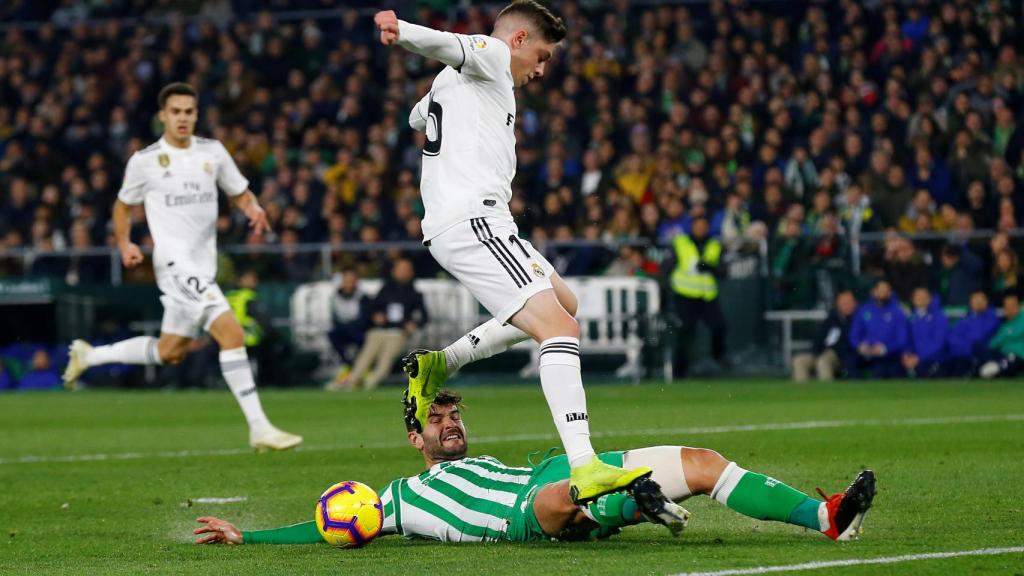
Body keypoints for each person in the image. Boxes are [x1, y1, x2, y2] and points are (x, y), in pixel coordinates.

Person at [374, 1, 653, 503]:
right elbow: (454, 44)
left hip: (480, 220)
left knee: (566, 306)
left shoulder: (456, 81)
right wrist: (403, 31)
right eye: (542, 56)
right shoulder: (496, 54)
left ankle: (443, 361)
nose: (542, 71)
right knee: (560, 331)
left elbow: (420, 115)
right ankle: (585, 465)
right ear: (519, 41)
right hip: (474, 219)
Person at [193, 388, 875, 545]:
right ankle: (628, 503)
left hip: (557, 472)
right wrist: (248, 538)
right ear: (415, 438)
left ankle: (825, 517)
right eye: (437, 418)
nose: (451, 422)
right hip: (531, 513)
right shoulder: (396, 497)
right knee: (561, 495)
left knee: (703, 460)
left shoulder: (484, 458)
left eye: (455, 414)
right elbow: (327, 528)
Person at [61, 82, 301, 451]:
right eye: (176, 111)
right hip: (173, 262)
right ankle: (260, 427)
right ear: (163, 116)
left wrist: (252, 209)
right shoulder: (145, 160)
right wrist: (125, 243)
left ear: (196, 115)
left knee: (170, 351)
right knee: (232, 333)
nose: (183, 118)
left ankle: (90, 354)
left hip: (201, 266)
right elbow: (123, 206)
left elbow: (239, 192)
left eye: (189, 111)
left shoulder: (213, 152)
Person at [335, 259, 426, 391]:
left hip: (398, 333)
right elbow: (372, 307)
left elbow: (424, 316)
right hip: (380, 330)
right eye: (400, 269)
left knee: (386, 359)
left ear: (411, 272)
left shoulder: (415, 294)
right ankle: (352, 381)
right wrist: (376, 315)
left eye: (405, 270)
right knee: (366, 355)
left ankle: (370, 384)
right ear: (394, 271)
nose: (402, 273)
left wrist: (414, 324)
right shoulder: (386, 289)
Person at [668, 216, 728, 376]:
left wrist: (709, 267)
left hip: (707, 295)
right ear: (692, 226)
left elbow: (723, 270)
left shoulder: (715, 244)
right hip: (685, 294)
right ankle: (680, 371)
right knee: (685, 332)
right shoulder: (681, 242)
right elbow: (668, 265)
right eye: (698, 225)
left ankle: (718, 359)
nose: (701, 228)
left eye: (704, 225)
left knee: (719, 326)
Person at [792, 290, 858, 382]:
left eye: (848, 302)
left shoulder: (858, 320)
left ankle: (825, 393)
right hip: (821, 352)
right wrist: (816, 350)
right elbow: (820, 337)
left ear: (855, 303)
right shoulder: (832, 318)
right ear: (837, 304)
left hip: (839, 356)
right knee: (799, 361)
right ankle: (802, 394)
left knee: (823, 362)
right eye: (842, 302)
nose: (845, 305)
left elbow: (850, 344)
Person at [849, 279, 909, 378]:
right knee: (850, 361)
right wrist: (860, 345)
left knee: (884, 369)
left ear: (890, 293)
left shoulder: (898, 312)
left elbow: (902, 340)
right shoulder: (863, 310)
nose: (883, 294)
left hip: (889, 355)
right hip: (865, 353)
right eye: (880, 291)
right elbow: (854, 334)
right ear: (874, 292)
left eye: (886, 291)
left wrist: (884, 348)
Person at [326, 269, 371, 389]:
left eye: (352, 280)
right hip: (343, 330)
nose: (349, 283)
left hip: (359, 330)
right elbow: (334, 318)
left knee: (365, 337)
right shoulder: (335, 298)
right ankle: (346, 365)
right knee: (332, 334)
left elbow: (364, 319)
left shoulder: (363, 297)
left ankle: (362, 369)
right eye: (346, 280)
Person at [945, 290, 1000, 377]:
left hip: (978, 356)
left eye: (981, 300)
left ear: (986, 301)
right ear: (970, 302)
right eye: (975, 299)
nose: (978, 302)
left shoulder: (992, 319)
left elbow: (979, 338)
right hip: (961, 355)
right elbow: (953, 338)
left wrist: (963, 348)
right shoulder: (964, 318)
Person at [902, 288, 949, 378]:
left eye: (924, 296)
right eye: (918, 296)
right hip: (914, 360)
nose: (921, 298)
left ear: (930, 299)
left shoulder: (940, 317)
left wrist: (919, 358)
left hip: (935, 360)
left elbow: (939, 343)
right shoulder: (910, 319)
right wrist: (906, 355)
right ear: (913, 299)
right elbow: (907, 341)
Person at [980, 293, 1024, 378]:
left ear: (1018, 306)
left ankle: (997, 368)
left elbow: (1015, 334)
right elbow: (994, 343)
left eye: (1011, 305)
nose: (1008, 308)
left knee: (1011, 361)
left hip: (1018, 355)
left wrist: (1005, 338)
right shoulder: (1004, 325)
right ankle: (994, 367)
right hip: (1002, 353)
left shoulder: (1022, 320)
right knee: (978, 346)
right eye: (1006, 306)